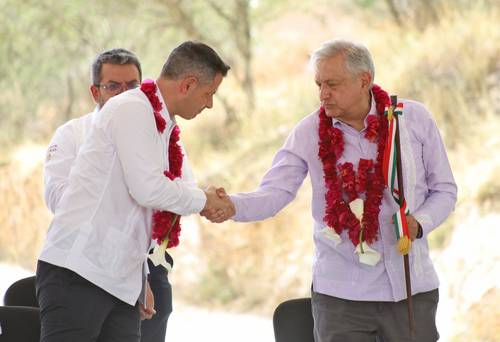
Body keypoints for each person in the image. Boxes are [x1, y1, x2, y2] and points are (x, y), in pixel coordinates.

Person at [206, 39, 457, 342]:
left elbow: (444, 190)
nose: (323, 94)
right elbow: (275, 192)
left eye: (332, 84)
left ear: (364, 80)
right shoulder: (308, 132)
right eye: (318, 84)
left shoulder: (410, 120)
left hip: (411, 291)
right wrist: (231, 205)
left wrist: (420, 223)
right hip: (341, 297)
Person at [37, 41, 234, 342]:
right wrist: (204, 199)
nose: (209, 104)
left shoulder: (161, 124)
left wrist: (139, 281)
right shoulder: (132, 108)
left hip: (119, 279)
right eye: (209, 94)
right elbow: (148, 190)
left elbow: (138, 213)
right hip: (79, 272)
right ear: (188, 85)